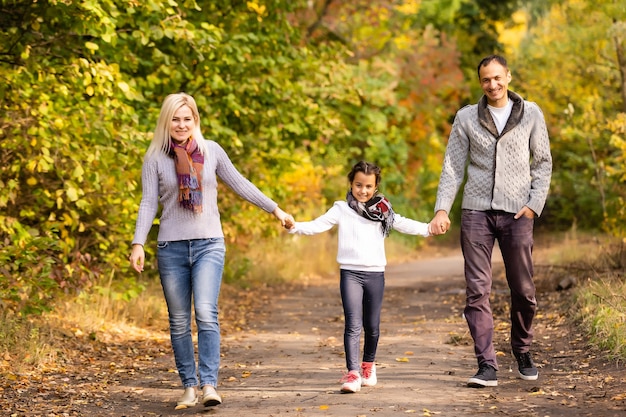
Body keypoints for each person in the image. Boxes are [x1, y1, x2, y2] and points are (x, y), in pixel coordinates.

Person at [128, 92, 294, 408]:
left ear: (195, 121)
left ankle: (208, 385)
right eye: (175, 119)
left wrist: (276, 210)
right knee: (178, 320)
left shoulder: (211, 151)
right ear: (166, 121)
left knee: (205, 311)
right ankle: (188, 387)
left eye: (187, 119)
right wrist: (138, 242)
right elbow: (149, 202)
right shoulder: (154, 159)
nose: (181, 124)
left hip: (209, 245)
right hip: (170, 248)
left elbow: (241, 184)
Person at [430, 55, 552, 388]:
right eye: (486, 80)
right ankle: (487, 364)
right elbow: (452, 166)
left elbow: (542, 164)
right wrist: (443, 208)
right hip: (476, 213)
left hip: (517, 214)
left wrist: (532, 205)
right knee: (477, 292)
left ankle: (522, 350)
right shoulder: (467, 117)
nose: (493, 85)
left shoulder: (531, 113)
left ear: (509, 76)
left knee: (524, 291)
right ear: (480, 82)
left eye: (498, 78)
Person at [285, 161, 434, 393]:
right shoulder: (340, 209)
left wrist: (428, 228)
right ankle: (353, 373)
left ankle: (368, 365)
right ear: (351, 183)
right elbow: (318, 225)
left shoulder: (384, 210)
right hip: (350, 273)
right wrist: (295, 226)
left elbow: (402, 223)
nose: (362, 191)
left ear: (375, 187)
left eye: (367, 186)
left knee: (372, 326)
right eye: (358, 185)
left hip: (375, 273)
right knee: (353, 325)